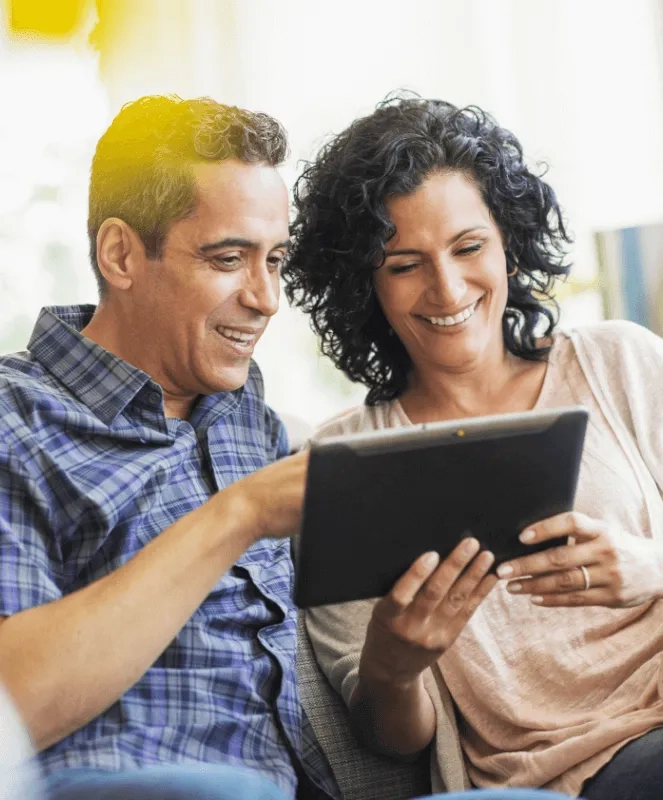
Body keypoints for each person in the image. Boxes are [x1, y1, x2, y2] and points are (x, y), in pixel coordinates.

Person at [282, 95, 663, 800]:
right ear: (365, 285)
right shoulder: (343, 465)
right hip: (570, 772)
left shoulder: (620, 363)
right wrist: (393, 666)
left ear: (507, 244)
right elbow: (392, 737)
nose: (448, 288)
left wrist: (651, 564)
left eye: (468, 248)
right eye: (405, 265)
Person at [0, 95, 340, 800]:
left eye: (276, 260)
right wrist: (239, 513)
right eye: (229, 259)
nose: (267, 297)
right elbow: (13, 704)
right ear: (121, 254)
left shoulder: (249, 418)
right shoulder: (15, 419)